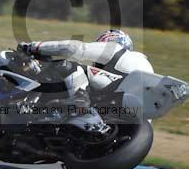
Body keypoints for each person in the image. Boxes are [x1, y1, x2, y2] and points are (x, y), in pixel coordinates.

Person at [18, 29, 154, 127]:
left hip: (120, 89)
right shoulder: (143, 65)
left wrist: (34, 47)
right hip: (139, 119)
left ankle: (79, 102)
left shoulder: (115, 48)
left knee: (67, 66)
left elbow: (75, 48)